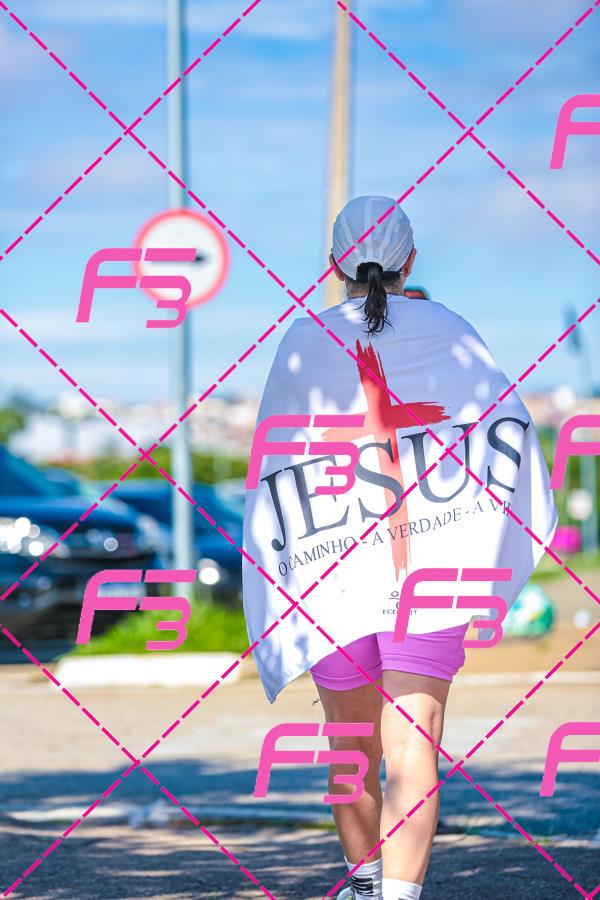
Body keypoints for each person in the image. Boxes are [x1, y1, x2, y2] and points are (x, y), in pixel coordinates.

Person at [242, 195, 557, 900]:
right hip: (432, 566)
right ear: (410, 259)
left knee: (348, 746)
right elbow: (507, 438)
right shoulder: (452, 331)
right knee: (414, 742)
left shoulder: (302, 342)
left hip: (329, 570)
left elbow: (274, 466)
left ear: (334, 263)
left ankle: (363, 888)